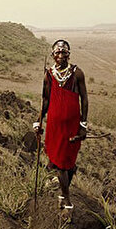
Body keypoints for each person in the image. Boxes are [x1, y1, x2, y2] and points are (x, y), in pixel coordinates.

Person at [34, 40, 88, 209]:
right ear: (53, 55)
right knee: (60, 164)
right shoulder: (49, 74)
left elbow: (84, 99)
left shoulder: (77, 73)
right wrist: (38, 120)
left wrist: (83, 124)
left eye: (63, 52)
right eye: (57, 53)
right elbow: (45, 99)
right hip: (54, 125)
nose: (60, 56)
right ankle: (66, 201)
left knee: (69, 162)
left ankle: (63, 192)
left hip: (72, 124)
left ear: (68, 54)